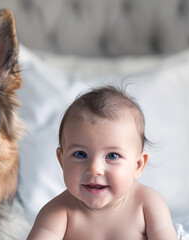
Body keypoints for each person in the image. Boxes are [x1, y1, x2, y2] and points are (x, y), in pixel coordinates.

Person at [27, 86, 177, 240]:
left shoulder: (147, 203)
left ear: (138, 165)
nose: (94, 169)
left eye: (112, 156)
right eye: (80, 154)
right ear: (62, 161)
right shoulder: (58, 212)